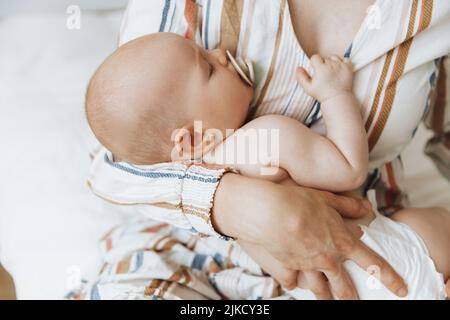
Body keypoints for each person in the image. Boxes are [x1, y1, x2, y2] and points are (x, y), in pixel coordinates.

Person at [83, 0, 450, 299]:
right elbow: (348, 168)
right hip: (379, 252)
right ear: (190, 140)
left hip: (316, 279)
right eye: (209, 68)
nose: (221, 54)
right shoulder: (266, 137)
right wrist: (336, 94)